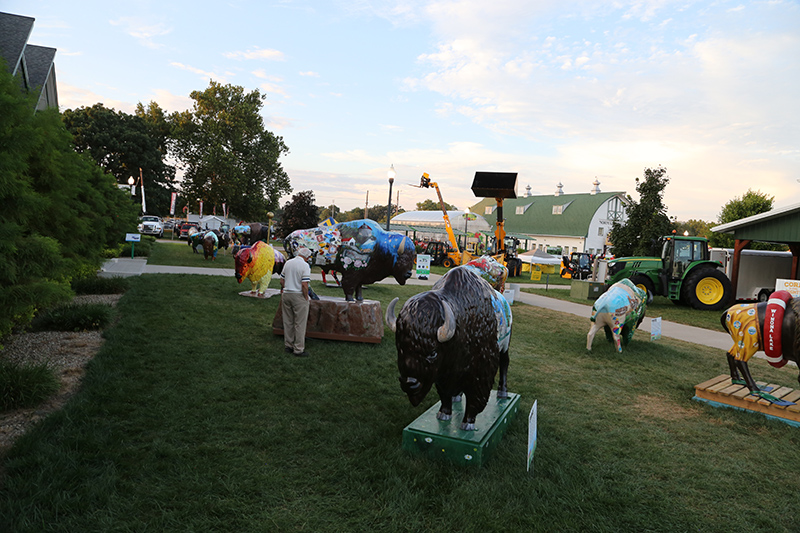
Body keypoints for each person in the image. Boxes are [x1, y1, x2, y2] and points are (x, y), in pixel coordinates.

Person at [280, 247, 312, 357]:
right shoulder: (305, 265)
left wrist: (285, 289)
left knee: (288, 321)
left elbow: (282, 280)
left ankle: (288, 345)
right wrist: (305, 296)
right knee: (300, 323)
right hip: (298, 295)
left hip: (287, 293)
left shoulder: (288, 263)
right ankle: (298, 349)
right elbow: (304, 284)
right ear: (307, 257)